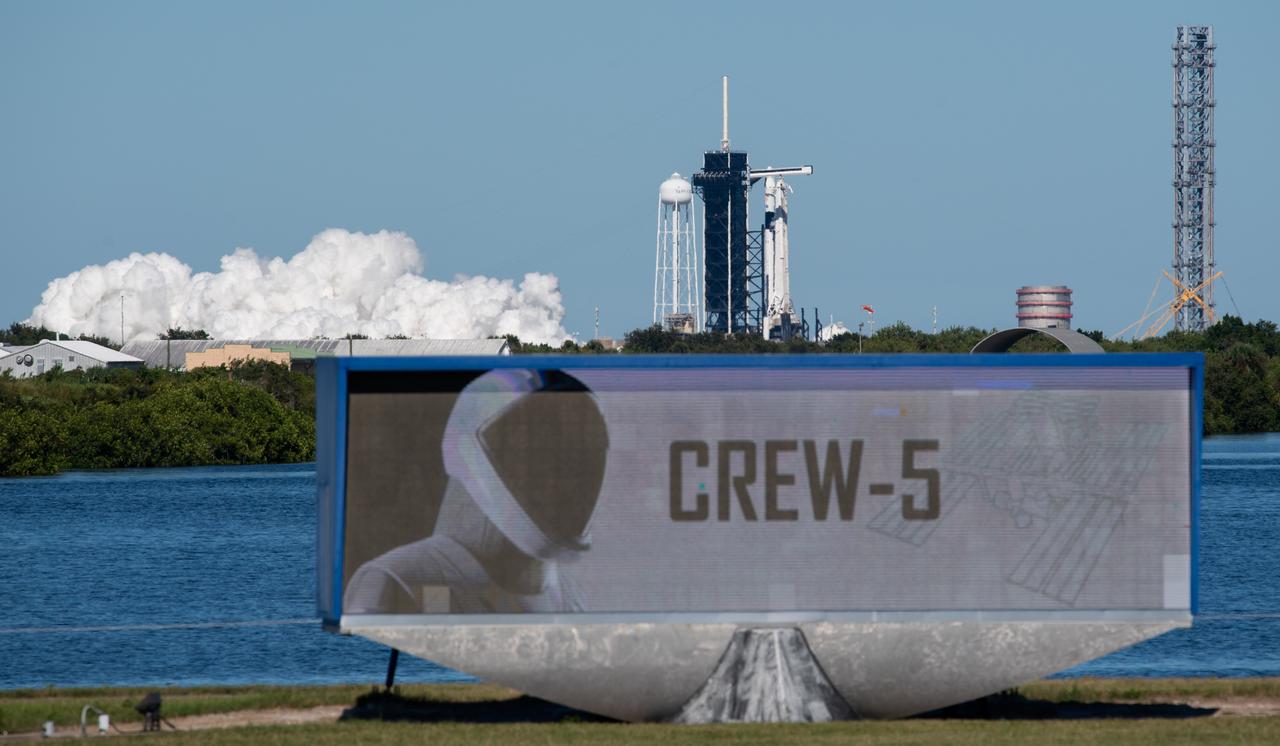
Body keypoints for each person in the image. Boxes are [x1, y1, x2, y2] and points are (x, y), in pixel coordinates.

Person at [343, 368, 609, 614]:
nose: (560, 481)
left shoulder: (568, 594)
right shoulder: (398, 580)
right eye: (539, 454)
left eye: (577, 457)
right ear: (470, 452)